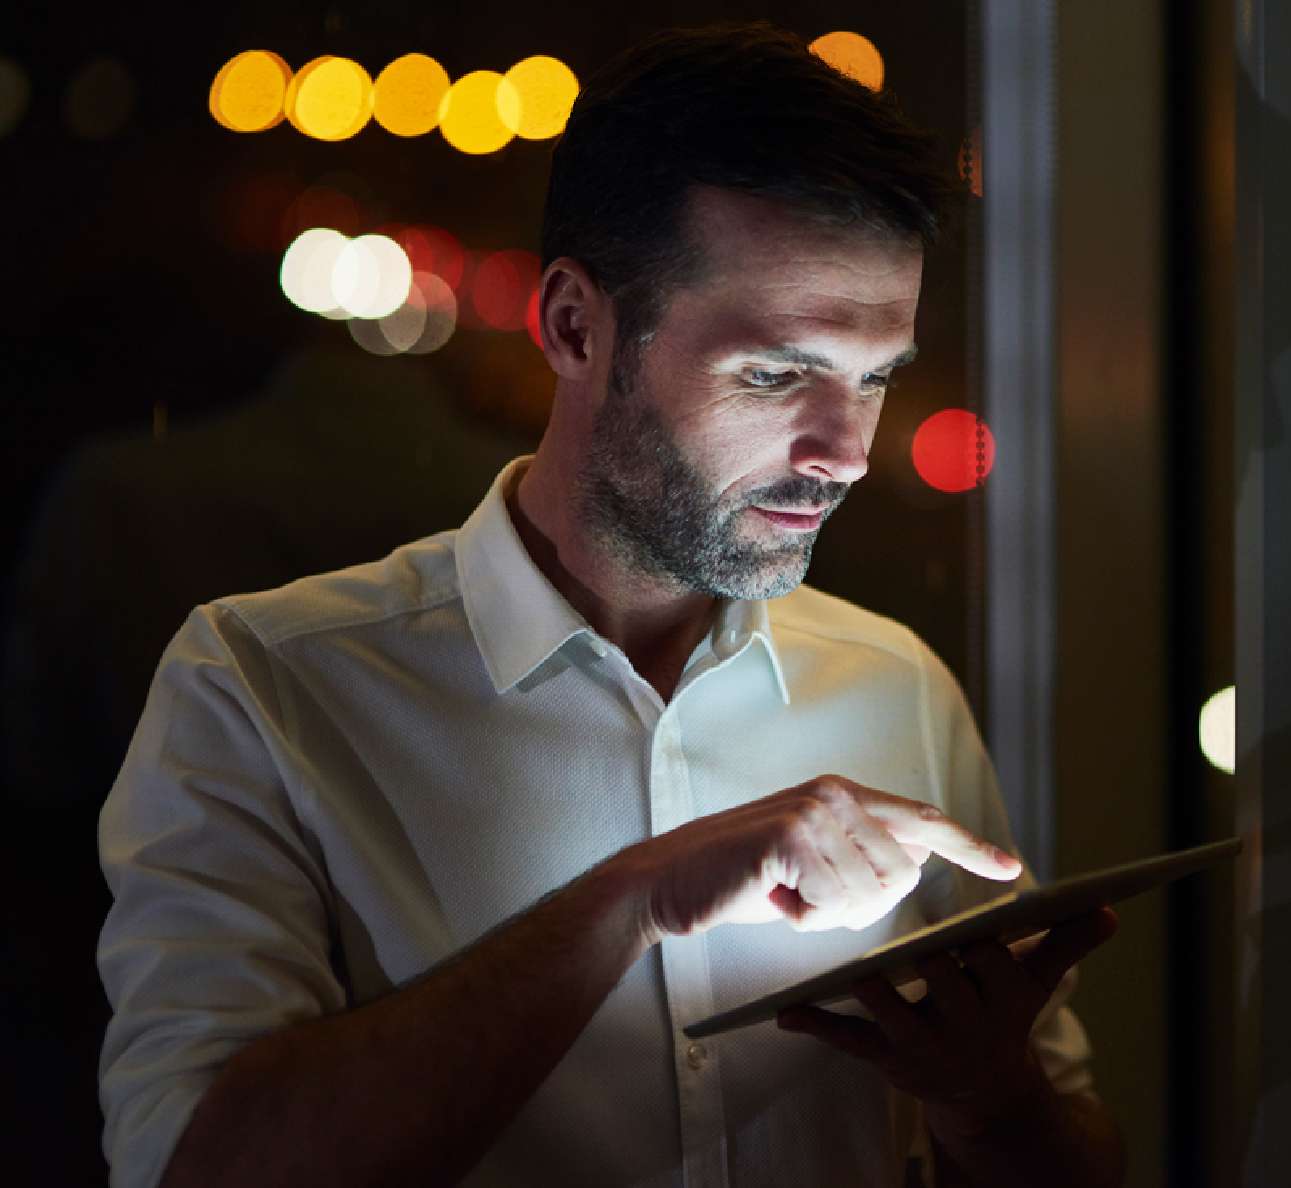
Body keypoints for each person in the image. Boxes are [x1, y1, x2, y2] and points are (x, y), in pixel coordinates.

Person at [95, 23, 1125, 1188]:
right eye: (777, 373)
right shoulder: (263, 686)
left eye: (873, 377)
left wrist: (988, 1101)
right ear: (576, 327)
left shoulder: (893, 683)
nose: (844, 452)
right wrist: (638, 896)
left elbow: (1080, 1159)